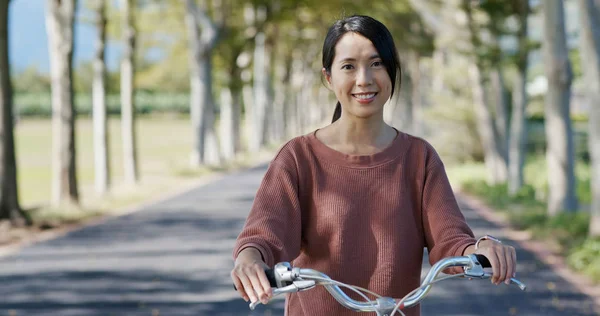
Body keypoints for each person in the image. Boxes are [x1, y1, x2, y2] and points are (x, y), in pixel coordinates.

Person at [230, 14, 517, 316]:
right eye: (349, 66)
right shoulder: (299, 157)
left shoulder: (419, 158)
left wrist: (482, 248)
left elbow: (451, 240)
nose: (364, 79)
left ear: (392, 71)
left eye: (377, 63)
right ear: (328, 77)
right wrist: (249, 260)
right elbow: (264, 235)